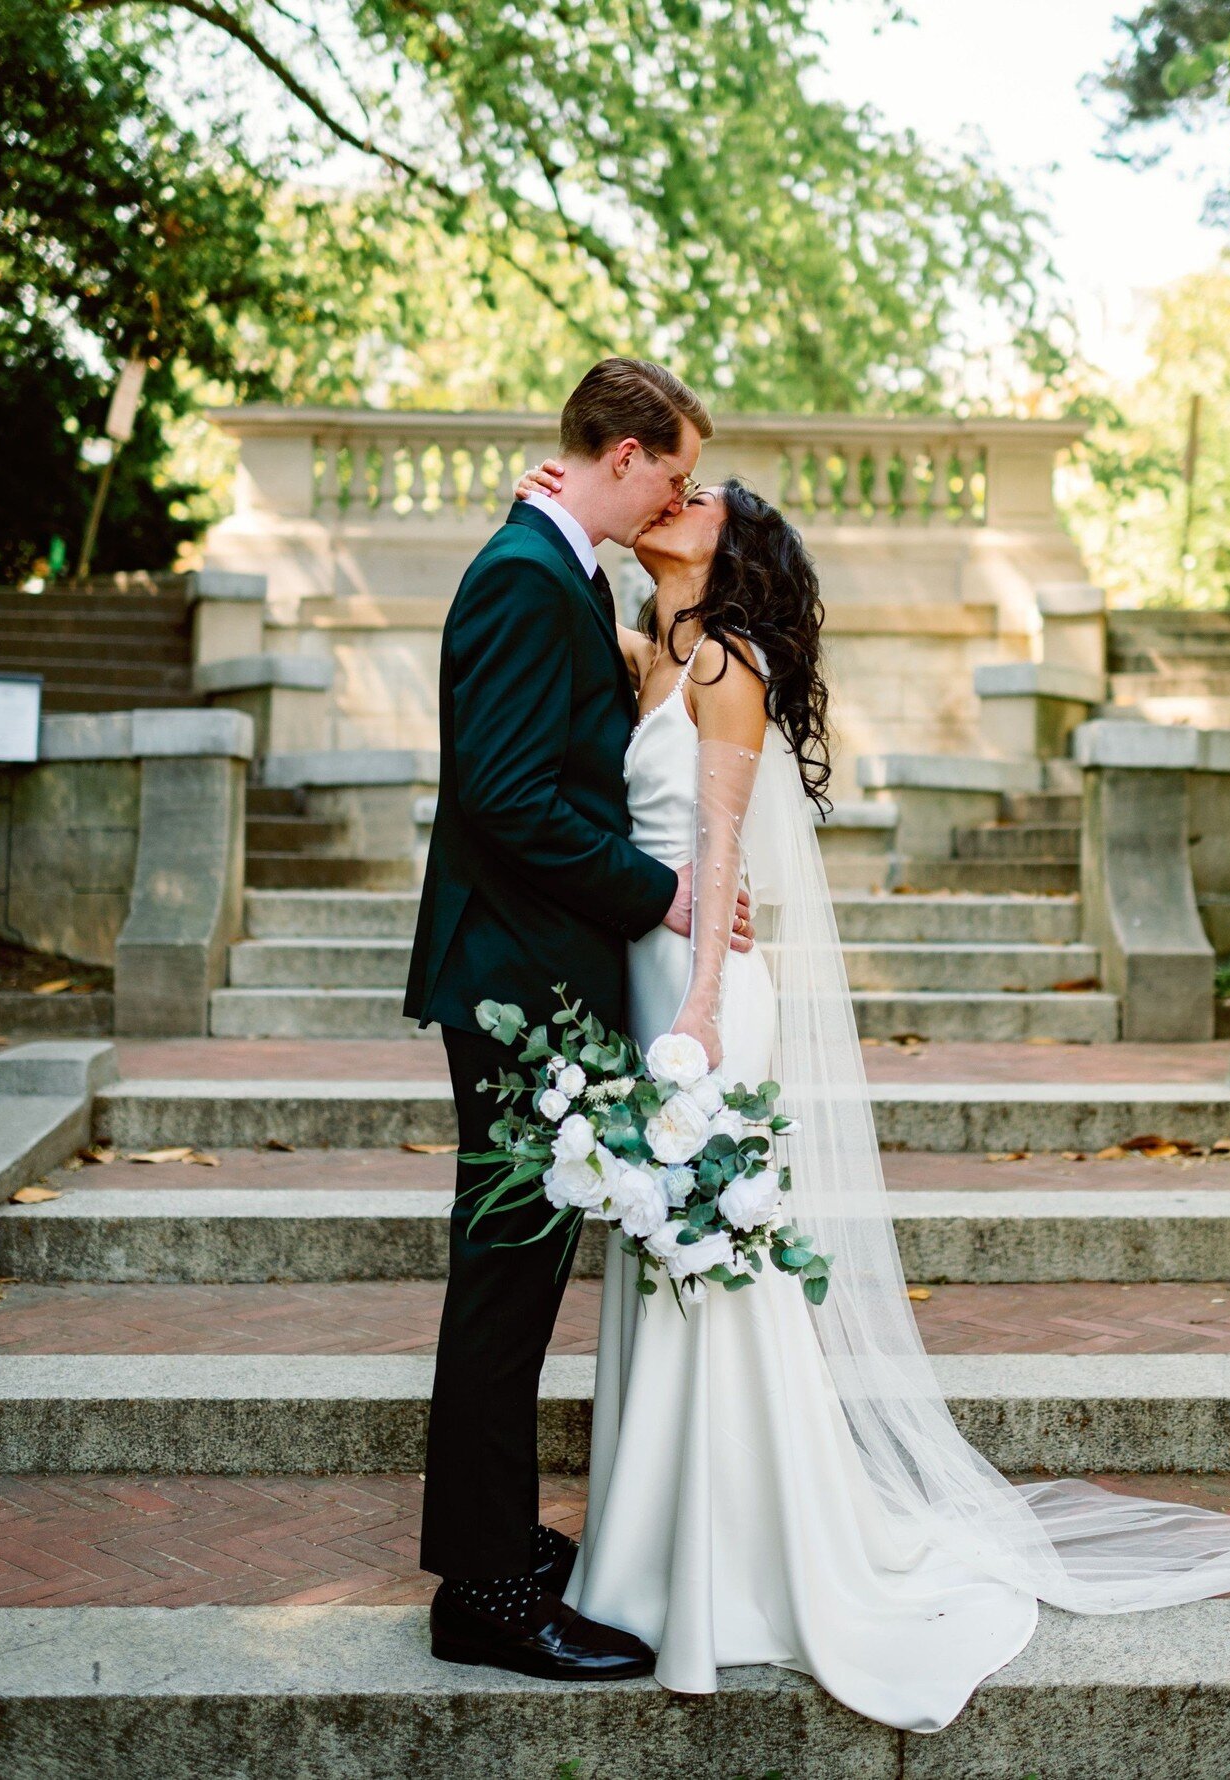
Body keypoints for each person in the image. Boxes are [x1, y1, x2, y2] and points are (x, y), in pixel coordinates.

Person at [507, 456, 1230, 1732]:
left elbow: (719, 846)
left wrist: (706, 1019)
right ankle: (656, 1554)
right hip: (648, 978)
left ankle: (731, 1569)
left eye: (700, 498)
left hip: (705, 993)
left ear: (734, 551)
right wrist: (545, 505)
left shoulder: (724, 663)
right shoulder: (653, 638)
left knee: (714, 1266)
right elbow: (560, 579)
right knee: (670, 1265)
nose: (675, 500)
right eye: (670, 485)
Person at [403, 357, 756, 1682]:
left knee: (522, 1277)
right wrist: (661, 894)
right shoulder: (520, 575)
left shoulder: (561, 566)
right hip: (515, 989)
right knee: (502, 1287)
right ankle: (484, 1592)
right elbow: (504, 795)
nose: (676, 492)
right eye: (669, 469)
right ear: (622, 458)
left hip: (537, 981)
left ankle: (494, 1540)